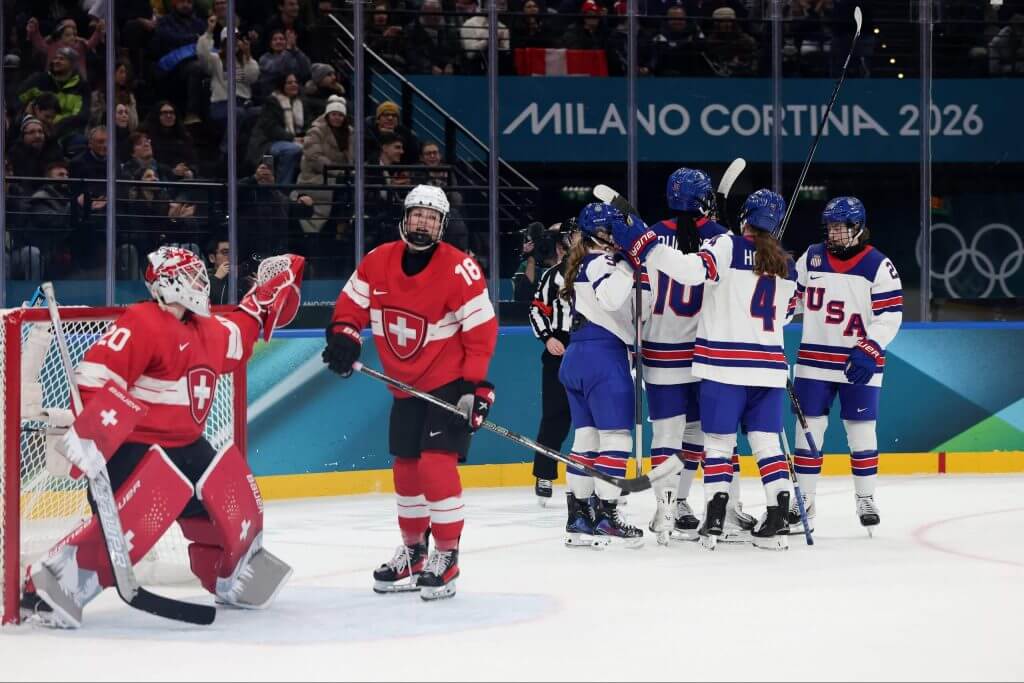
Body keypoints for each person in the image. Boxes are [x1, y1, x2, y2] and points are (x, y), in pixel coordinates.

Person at [20, 247, 306, 628]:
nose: (200, 283)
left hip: (187, 445)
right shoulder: (142, 321)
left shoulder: (208, 329)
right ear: (168, 283)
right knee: (142, 515)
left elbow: (240, 330)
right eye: (191, 276)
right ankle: (51, 586)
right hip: (134, 448)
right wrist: (95, 437)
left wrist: (262, 301)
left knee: (232, 494)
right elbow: (94, 377)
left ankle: (230, 574)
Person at [322, 185, 497, 601]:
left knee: (436, 466)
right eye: (418, 214)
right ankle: (415, 551)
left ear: (442, 225)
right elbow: (350, 307)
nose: (423, 223)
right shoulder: (377, 260)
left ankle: (447, 554)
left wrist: (475, 386)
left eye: (432, 218)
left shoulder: (460, 269)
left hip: (448, 385)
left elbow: (481, 331)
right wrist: (345, 336)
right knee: (406, 471)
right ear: (405, 216)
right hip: (404, 386)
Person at [613, 189, 797, 550]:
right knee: (766, 443)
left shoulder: (726, 245)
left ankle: (707, 516)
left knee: (714, 443)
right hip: (769, 367)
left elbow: (690, 271)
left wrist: (646, 245)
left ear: (745, 218)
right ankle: (773, 515)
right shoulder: (786, 263)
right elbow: (787, 313)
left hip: (719, 365)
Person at [640, 168, 755, 545]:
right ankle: (727, 508)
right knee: (717, 436)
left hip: (660, 350)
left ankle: (667, 508)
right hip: (710, 352)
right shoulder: (723, 239)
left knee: (667, 436)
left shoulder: (652, 235)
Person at [789, 197, 902, 533]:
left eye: (840, 227)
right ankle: (805, 499)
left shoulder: (879, 266)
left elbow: (890, 316)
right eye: (830, 227)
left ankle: (865, 497)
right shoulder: (811, 257)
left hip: (859, 363)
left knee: (861, 431)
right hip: (813, 362)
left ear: (858, 227)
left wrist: (870, 347)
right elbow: (792, 300)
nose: (833, 233)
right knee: (808, 431)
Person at [557, 202, 647, 549]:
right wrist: (630, 262)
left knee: (586, 440)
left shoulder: (578, 262)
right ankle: (607, 516)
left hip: (577, 355)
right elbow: (610, 299)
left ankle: (579, 518)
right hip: (604, 357)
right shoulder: (604, 261)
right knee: (616, 440)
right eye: (612, 230)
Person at [526, 219, 575, 505]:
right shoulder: (553, 276)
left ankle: (599, 478)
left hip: (591, 348)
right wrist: (547, 337)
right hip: (559, 349)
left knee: (596, 421)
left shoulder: (601, 271)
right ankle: (544, 474)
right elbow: (536, 310)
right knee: (555, 416)